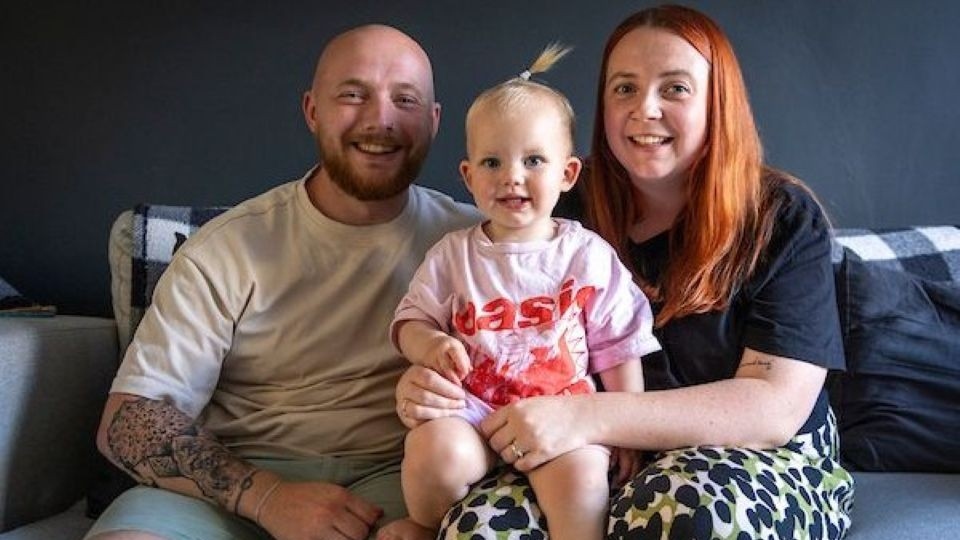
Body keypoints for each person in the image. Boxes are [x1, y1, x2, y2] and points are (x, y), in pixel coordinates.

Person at [396, 5, 856, 539]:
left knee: (686, 511)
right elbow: (486, 322)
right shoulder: (559, 200)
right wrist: (430, 378)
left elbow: (774, 409)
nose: (645, 109)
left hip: (751, 454)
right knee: (484, 527)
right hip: (583, 447)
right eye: (624, 89)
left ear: (718, 101)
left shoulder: (780, 216)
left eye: (676, 88)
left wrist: (593, 417)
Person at [85, 24, 481, 540]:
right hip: (230, 489)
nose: (380, 119)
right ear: (312, 110)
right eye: (353, 94)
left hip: (398, 484)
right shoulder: (226, 248)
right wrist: (268, 496)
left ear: (433, 122)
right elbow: (126, 423)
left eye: (404, 99)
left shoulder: (476, 243)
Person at [385, 45, 660, 540]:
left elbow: (620, 345)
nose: (512, 175)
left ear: (567, 174)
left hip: (561, 414)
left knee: (580, 484)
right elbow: (410, 321)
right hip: (473, 411)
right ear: (469, 177)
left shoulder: (585, 255)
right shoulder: (452, 255)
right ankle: (427, 525)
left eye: (534, 160)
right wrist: (430, 345)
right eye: (492, 161)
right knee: (432, 452)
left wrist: (625, 426)